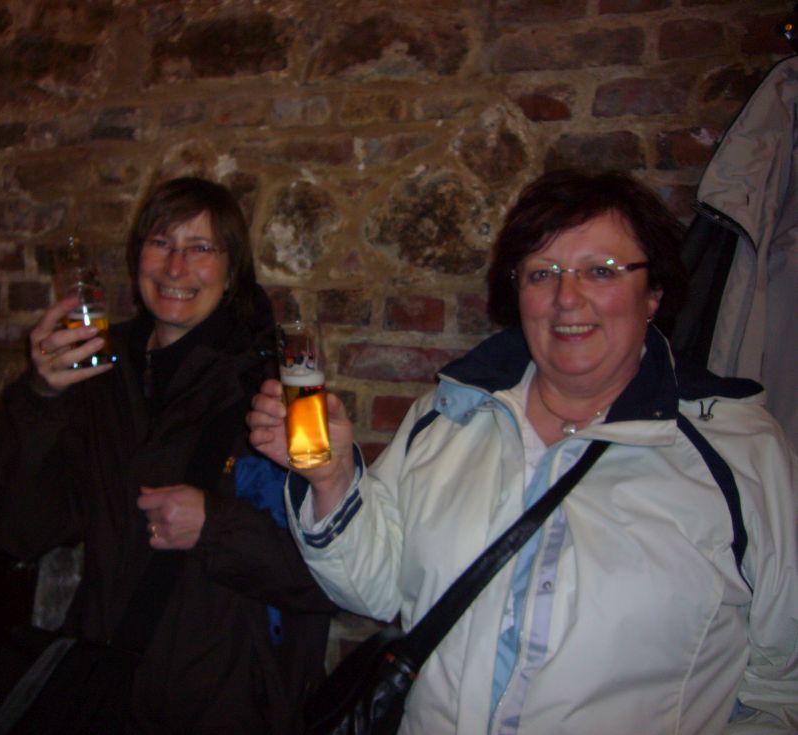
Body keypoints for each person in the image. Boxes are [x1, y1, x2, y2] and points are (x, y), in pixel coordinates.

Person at [248, 169, 798, 734]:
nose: (567, 298)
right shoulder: (450, 414)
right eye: (543, 273)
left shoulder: (740, 453)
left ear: (653, 292)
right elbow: (378, 588)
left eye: (601, 270)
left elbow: (783, 688)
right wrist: (334, 481)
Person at [0, 177, 333, 734]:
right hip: (103, 689)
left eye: (200, 247)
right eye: (161, 242)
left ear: (232, 271)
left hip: (219, 706)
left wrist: (214, 526)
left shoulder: (271, 389)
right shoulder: (101, 374)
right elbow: (19, 532)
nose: (175, 267)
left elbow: (323, 578)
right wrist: (38, 399)